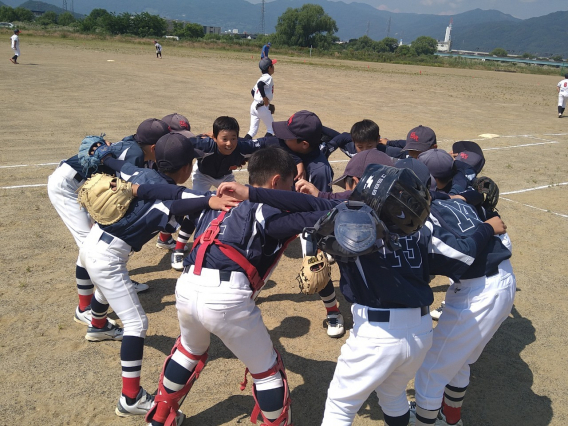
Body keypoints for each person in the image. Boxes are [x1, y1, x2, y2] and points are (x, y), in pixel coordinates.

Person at [220, 159, 507, 426]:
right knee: (392, 395)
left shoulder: (352, 226)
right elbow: (462, 248)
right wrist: (482, 220)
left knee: (340, 406)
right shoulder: (422, 228)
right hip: (420, 333)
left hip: (377, 334)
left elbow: (304, 203)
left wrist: (251, 193)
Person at [135, 147, 330, 426]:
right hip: (227, 297)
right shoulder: (271, 209)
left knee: (189, 350)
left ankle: (161, 416)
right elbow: (324, 216)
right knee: (267, 372)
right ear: (275, 183)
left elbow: (168, 197)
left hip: (188, 285)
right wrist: (318, 200)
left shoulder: (219, 199)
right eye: (288, 185)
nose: (290, 192)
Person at [79, 133, 237, 419]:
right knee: (136, 323)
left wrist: (104, 154)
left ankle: (99, 324)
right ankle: (131, 398)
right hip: (108, 258)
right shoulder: (171, 194)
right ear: (187, 168)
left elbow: (119, 164)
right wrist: (210, 200)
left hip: (93, 243)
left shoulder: (140, 171)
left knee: (108, 287)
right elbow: (180, 199)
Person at [47, 118, 170, 327]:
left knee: (102, 240)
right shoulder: (136, 155)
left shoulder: (137, 149)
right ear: (153, 147)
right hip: (67, 187)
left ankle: (116, 282)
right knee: (90, 245)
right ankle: (83, 308)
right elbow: (108, 190)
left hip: (84, 184)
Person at [322, 119, 406, 160]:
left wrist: (390, 142)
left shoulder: (388, 152)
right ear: (354, 141)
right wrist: (328, 149)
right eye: (360, 147)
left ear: (377, 140)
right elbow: (342, 136)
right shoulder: (351, 149)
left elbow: (414, 147)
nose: (365, 150)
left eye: (369, 146)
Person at [245, 57, 277, 139]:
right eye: (272, 65)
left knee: (252, 131)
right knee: (271, 129)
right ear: (269, 68)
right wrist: (264, 99)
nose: (274, 67)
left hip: (254, 106)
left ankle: (243, 144)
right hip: (262, 107)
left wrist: (259, 101)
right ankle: (263, 148)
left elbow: (252, 91)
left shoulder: (262, 77)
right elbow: (260, 85)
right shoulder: (268, 77)